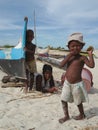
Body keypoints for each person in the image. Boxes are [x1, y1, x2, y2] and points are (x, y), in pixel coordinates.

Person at [59, 32, 95, 123]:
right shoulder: (69, 56)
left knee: (78, 101)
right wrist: (70, 55)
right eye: (72, 46)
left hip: (77, 84)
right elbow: (61, 64)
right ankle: (66, 116)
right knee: (63, 99)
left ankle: (81, 114)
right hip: (67, 83)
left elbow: (91, 65)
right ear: (69, 47)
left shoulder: (82, 58)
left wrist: (90, 55)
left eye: (77, 46)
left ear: (81, 47)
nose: (75, 48)